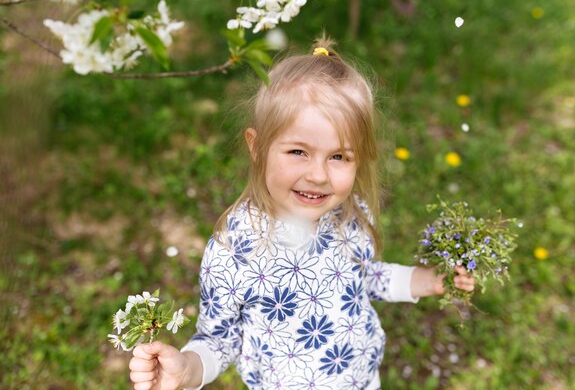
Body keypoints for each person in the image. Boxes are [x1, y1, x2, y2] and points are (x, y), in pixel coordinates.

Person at [128, 38, 475, 390]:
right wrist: (186, 371)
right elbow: (219, 339)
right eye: (298, 151)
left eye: (339, 156)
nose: (319, 175)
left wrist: (425, 280)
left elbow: (365, 279)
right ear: (257, 146)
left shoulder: (349, 214)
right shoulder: (233, 251)